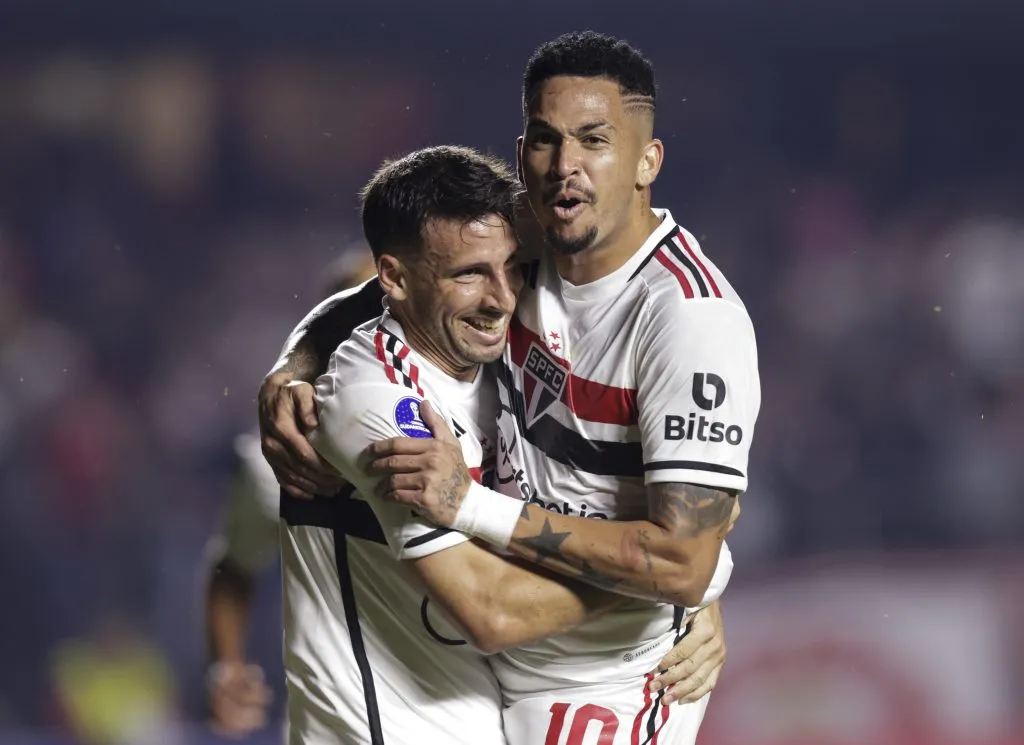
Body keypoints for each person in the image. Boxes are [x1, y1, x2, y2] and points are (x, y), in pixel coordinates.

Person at [260, 33, 752, 744]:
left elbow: (681, 558)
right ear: (521, 153)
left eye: (595, 140)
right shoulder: (525, 236)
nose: (567, 166)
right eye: (546, 140)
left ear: (648, 161)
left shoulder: (686, 319)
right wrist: (295, 363)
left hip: (609, 675)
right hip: (506, 664)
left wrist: (685, 585)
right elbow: (385, 288)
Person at [202, 250, 376, 737]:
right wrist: (227, 666)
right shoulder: (271, 465)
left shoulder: (466, 427)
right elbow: (233, 565)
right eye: (359, 316)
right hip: (333, 717)